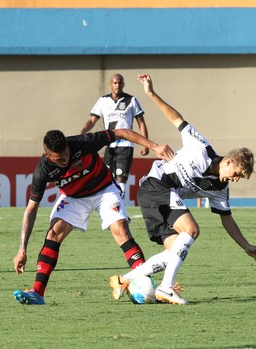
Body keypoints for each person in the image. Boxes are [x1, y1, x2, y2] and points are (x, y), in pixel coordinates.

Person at [108, 74, 256, 305]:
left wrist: (246, 246)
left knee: (175, 251)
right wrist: (151, 93)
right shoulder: (200, 147)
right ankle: (165, 287)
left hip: (159, 198)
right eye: (236, 175)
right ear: (229, 162)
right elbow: (177, 119)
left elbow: (227, 220)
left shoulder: (219, 189)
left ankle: (123, 279)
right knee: (192, 230)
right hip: (155, 186)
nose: (235, 180)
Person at [12, 128, 174, 305]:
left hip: (104, 190)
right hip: (73, 197)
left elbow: (120, 132)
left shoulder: (82, 142)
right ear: (47, 155)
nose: (65, 160)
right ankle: (37, 292)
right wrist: (22, 250)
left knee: (121, 231)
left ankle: (144, 284)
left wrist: (154, 146)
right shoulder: (43, 170)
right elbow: (31, 209)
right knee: (53, 234)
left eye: (66, 154)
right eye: (59, 159)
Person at [80, 73, 149, 198]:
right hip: (109, 145)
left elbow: (141, 122)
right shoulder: (103, 101)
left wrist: (145, 144)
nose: (117, 85)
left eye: (120, 83)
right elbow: (92, 120)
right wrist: (81, 134)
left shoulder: (131, 100)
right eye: (115, 83)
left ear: (123, 84)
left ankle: (121, 209)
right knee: (108, 179)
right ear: (110, 85)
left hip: (125, 145)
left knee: (121, 179)